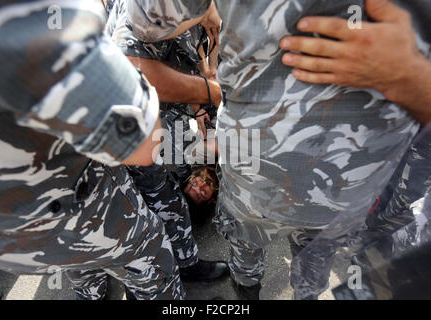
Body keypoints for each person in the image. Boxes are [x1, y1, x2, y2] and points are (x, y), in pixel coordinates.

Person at [126, 0, 430, 299]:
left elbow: (134, 38)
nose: (200, 187)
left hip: (270, 189)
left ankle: (254, 289)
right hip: (325, 192)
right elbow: (130, 47)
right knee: (295, 263)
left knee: (264, 258)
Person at [0, 0, 184, 300]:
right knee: (150, 265)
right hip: (83, 215)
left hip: (2, 238)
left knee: (80, 269)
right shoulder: (43, 17)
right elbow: (143, 145)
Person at [104, 0, 228, 285]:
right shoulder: (144, 17)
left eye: (200, 192)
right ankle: (181, 266)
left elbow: (190, 52)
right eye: (207, 190)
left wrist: (205, 70)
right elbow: (132, 67)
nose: (201, 188)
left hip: (145, 116)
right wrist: (211, 93)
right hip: (130, 119)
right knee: (165, 199)